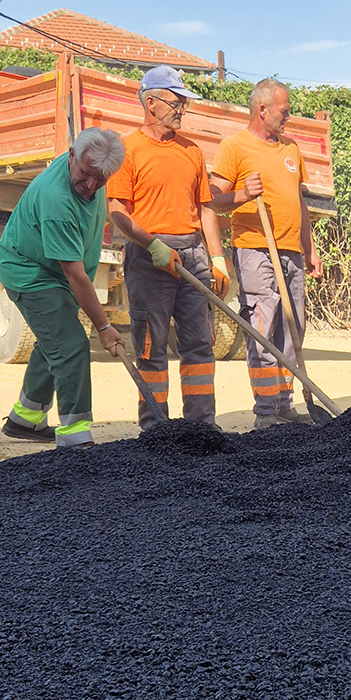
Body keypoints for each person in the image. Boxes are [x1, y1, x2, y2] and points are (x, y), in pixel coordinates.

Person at [107, 66, 228, 431]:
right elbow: (117, 211)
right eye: (177, 102)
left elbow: (206, 209)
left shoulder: (191, 151)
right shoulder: (127, 149)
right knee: (151, 346)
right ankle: (156, 428)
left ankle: (201, 427)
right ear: (152, 102)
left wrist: (217, 258)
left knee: (200, 345)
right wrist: (152, 245)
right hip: (149, 257)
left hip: (192, 254)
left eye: (184, 103)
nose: (182, 110)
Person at [0, 128, 127, 448]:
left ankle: (25, 418)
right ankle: (75, 435)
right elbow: (75, 274)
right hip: (30, 272)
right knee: (72, 346)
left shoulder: (85, 167)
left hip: (52, 271)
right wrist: (104, 327)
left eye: (101, 179)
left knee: (55, 341)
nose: (91, 185)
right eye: (86, 174)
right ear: (71, 156)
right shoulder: (57, 199)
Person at [208, 78, 323, 428]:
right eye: (283, 111)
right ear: (262, 110)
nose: (288, 117)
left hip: (291, 251)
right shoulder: (234, 147)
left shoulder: (291, 148)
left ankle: (286, 404)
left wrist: (309, 247)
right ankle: (266, 410)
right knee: (262, 327)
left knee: (293, 327)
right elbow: (212, 200)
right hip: (255, 249)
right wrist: (243, 194)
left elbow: (298, 201)